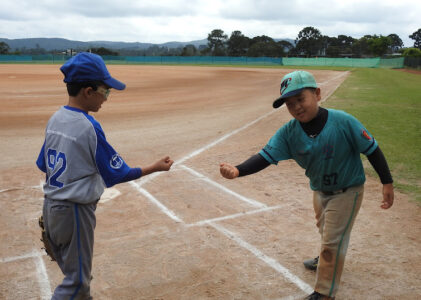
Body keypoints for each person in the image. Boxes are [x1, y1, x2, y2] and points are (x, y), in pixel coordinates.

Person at [219, 70, 394, 300]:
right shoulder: (289, 133)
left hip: (348, 191)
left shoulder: (343, 122)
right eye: (290, 104)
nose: (296, 107)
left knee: (332, 239)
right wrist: (238, 170)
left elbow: (372, 149)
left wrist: (387, 183)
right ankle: (326, 258)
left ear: (318, 94)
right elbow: (265, 156)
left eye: (300, 99)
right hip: (320, 190)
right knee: (325, 231)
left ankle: (324, 293)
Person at [36, 52, 173, 299]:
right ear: (88, 91)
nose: (106, 98)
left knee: (76, 275)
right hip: (74, 212)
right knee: (76, 284)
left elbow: (42, 164)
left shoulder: (55, 119)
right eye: (105, 91)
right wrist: (154, 167)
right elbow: (116, 173)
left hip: (51, 206)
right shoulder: (89, 126)